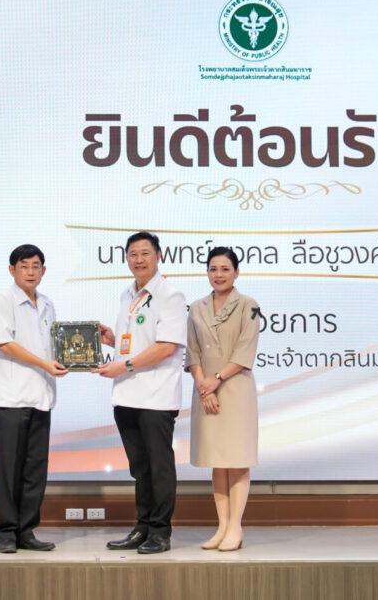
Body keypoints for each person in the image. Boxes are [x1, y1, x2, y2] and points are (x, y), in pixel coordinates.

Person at [95, 231, 187, 554]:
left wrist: (124, 366)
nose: (139, 259)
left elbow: (166, 346)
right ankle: (143, 526)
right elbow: (135, 341)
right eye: (133, 254)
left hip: (156, 396)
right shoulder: (127, 295)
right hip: (126, 395)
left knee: (159, 467)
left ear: (158, 256)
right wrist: (111, 339)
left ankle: (160, 532)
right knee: (140, 468)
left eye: (145, 253)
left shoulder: (170, 295)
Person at [0, 244, 68, 553]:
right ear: (12, 270)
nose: (31, 272)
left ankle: (26, 530)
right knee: (9, 469)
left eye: (36, 266)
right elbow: (4, 343)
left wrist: (86, 343)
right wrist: (44, 364)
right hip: (9, 399)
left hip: (41, 397)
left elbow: (55, 344)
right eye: (24, 266)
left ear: (43, 270)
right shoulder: (4, 300)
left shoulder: (47, 304)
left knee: (35, 469)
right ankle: (6, 532)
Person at [187, 247, 260, 551]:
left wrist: (215, 380)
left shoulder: (248, 305)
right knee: (217, 461)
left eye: (225, 269)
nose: (218, 275)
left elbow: (245, 351)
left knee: (237, 460)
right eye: (213, 269)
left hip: (235, 387)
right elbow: (192, 352)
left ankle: (236, 527)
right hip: (205, 389)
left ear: (236, 272)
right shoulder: (196, 308)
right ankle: (221, 527)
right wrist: (204, 387)